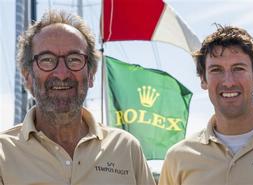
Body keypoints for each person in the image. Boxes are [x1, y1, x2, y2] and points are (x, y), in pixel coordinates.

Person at [0, 10, 155, 185]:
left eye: (74, 59)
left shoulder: (125, 149)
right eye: (47, 60)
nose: (62, 73)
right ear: (27, 76)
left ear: (91, 75)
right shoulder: (3, 154)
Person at [159, 25, 253, 185]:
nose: (228, 82)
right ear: (203, 80)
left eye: (238, 68)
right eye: (216, 70)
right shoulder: (178, 158)